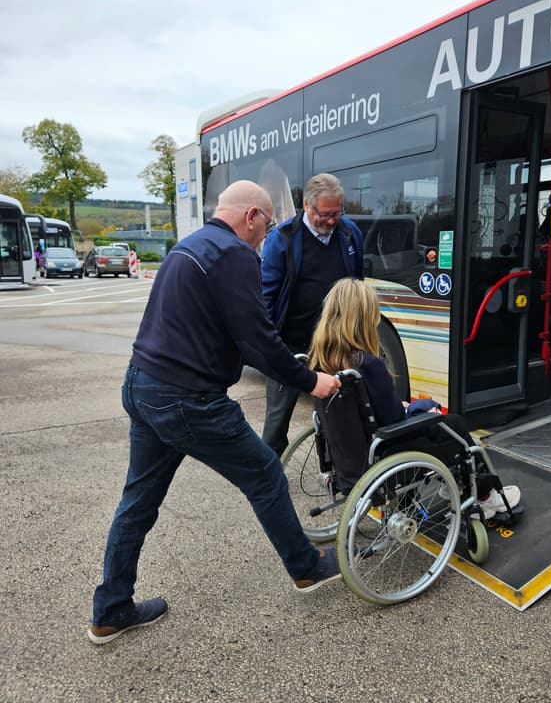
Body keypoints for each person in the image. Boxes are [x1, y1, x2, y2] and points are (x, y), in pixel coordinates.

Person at [88, 181, 343, 646]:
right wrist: (312, 380)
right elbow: (259, 341)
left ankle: (110, 609)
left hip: (142, 384)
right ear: (251, 216)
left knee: (138, 501)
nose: (267, 234)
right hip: (187, 399)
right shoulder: (233, 255)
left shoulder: (187, 248)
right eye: (266, 223)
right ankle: (307, 568)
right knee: (265, 472)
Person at [308, 278, 522, 517]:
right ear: (364, 318)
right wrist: (424, 408)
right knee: (453, 424)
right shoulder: (368, 364)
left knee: (432, 417)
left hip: (350, 456)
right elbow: (396, 419)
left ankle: (449, 484)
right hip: (388, 450)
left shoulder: (322, 363)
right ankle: (484, 496)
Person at [261, 173, 364, 456]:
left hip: (334, 343)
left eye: (337, 213)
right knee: (277, 420)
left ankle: (337, 469)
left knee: (339, 412)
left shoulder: (350, 233)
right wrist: (269, 347)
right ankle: (271, 472)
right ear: (307, 206)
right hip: (291, 345)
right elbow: (266, 296)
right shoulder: (282, 239)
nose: (332, 221)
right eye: (325, 214)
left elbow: (358, 286)